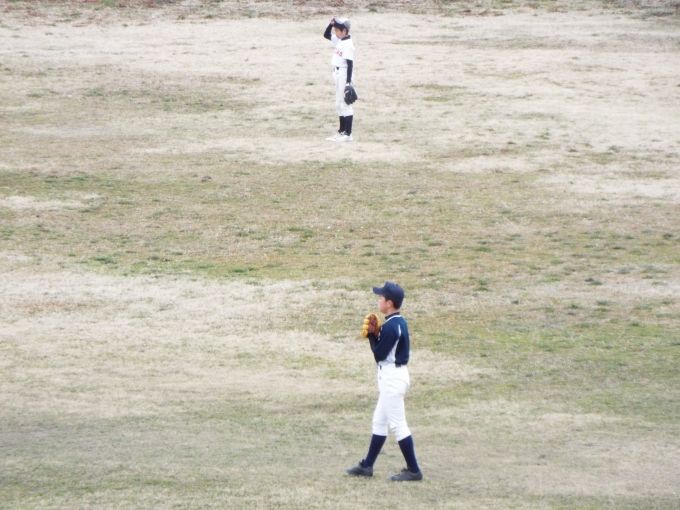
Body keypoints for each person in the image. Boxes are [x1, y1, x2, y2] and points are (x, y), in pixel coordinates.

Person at [346, 282, 423, 481]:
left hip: (392, 379)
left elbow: (379, 354)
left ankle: (414, 470)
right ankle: (367, 466)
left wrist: (372, 335)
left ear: (389, 303)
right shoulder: (398, 322)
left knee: (398, 425)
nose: (378, 300)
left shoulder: (391, 326)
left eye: (381, 297)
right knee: (379, 421)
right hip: (393, 376)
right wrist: (377, 333)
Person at [323, 17, 355, 143]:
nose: (335, 33)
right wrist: (331, 24)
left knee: (345, 104)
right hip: (337, 73)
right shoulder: (340, 40)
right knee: (338, 103)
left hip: (343, 74)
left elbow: (350, 64)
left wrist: (348, 83)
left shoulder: (348, 44)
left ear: (344, 31)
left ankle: (348, 134)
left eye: (337, 30)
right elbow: (326, 35)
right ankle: (342, 131)